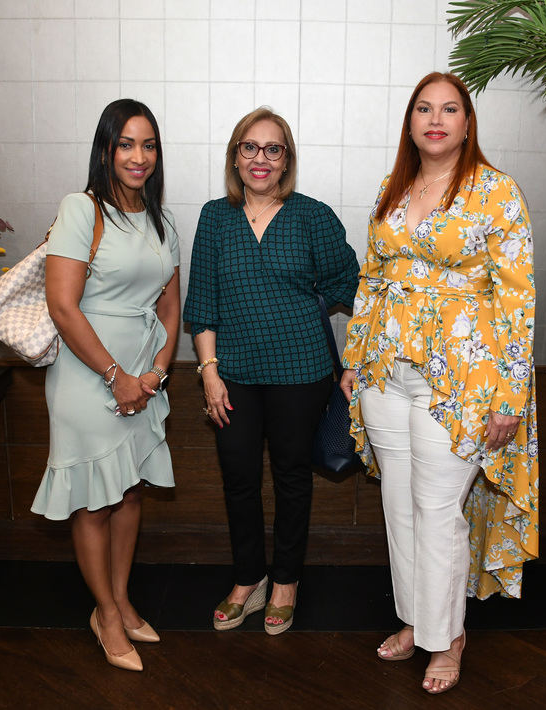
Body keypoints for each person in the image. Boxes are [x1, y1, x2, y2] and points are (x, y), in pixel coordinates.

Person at [340, 73, 538, 694]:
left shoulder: (496, 191)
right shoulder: (392, 187)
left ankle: (447, 637)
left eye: (449, 108)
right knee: (399, 507)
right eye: (423, 108)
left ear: (467, 122)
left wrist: (510, 395)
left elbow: (517, 297)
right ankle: (416, 621)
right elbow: (373, 278)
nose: (435, 118)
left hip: (461, 380)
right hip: (383, 370)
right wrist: (354, 356)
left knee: (436, 508)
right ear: (410, 122)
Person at [183, 107, 359, 635]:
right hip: (232, 372)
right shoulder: (215, 217)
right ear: (236, 157)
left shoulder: (313, 216)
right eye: (250, 148)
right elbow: (202, 303)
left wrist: (336, 341)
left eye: (273, 149)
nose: (261, 159)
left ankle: (285, 581)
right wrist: (209, 373)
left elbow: (353, 283)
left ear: (287, 160)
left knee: (290, 478)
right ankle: (247, 579)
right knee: (238, 477)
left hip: (301, 372)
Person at [31, 99, 180, 672]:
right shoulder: (81, 209)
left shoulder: (161, 220)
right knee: (95, 500)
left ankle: (119, 599)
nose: (138, 157)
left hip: (144, 376)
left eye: (148, 145)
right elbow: (63, 308)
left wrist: (157, 372)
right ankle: (106, 615)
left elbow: (170, 305)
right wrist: (117, 377)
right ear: (105, 150)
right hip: (88, 374)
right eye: (126, 144)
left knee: (131, 489)